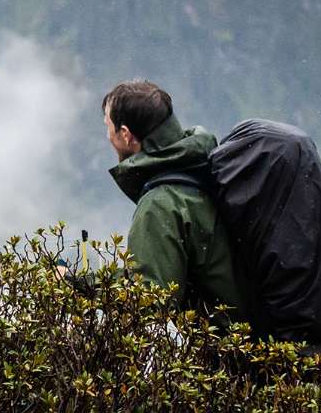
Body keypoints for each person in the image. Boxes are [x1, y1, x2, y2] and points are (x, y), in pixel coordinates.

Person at [104, 79, 247, 318]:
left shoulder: (160, 204)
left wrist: (78, 284)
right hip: (255, 338)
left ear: (126, 135)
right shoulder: (204, 167)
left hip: (221, 350)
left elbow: (149, 301)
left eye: (108, 127)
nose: (108, 136)